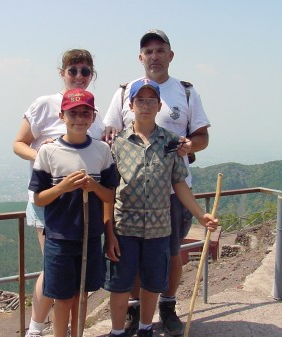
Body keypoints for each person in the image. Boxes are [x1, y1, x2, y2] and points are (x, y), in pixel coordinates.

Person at [103, 29, 210, 336]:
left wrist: (190, 147)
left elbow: (202, 136)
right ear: (141, 57)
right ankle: (133, 314)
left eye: (160, 50)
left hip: (170, 195)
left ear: (170, 55)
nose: (154, 56)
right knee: (130, 262)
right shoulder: (123, 92)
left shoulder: (186, 92)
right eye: (148, 51)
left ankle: (166, 306)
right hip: (128, 206)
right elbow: (110, 133)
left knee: (169, 252)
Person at [12, 49, 104, 337]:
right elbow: (18, 143)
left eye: (85, 71)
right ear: (62, 73)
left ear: (92, 75)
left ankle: (57, 330)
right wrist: (46, 156)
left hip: (84, 205)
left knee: (69, 274)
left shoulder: (93, 111)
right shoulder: (44, 104)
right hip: (48, 199)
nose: (79, 76)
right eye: (73, 70)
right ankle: (37, 329)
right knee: (54, 268)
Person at [29, 89, 118, 337]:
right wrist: (63, 187)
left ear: (92, 116)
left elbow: (110, 195)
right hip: (59, 238)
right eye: (73, 113)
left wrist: (94, 186)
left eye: (85, 113)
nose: (79, 118)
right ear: (62, 115)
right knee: (63, 299)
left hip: (90, 238)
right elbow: (39, 198)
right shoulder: (48, 152)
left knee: (81, 298)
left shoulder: (101, 151)